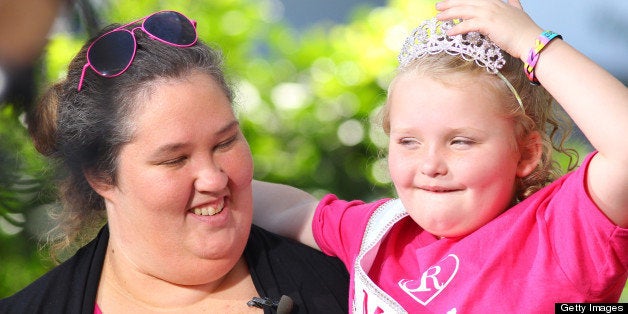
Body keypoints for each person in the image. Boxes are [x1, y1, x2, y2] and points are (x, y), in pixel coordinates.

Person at [252, 0, 628, 312]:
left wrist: (532, 41)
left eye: (461, 142)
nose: (431, 165)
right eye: (408, 142)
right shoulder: (380, 233)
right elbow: (293, 211)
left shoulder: (561, 233)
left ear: (526, 153)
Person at [0, 10, 349, 313]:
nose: (213, 179)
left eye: (225, 142)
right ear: (100, 175)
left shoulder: (349, 283)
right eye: (175, 159)